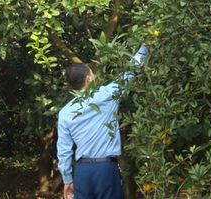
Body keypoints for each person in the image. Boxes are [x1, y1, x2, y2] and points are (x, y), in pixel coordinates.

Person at [57, 44, 149, 199]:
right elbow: (130, 72)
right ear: (88, 79)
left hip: (82, 172)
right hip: (105, 169)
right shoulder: (106, 95)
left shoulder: (65, 112)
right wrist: (145, 47)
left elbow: (64, 150)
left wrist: (67, 179)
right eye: (92, 74)